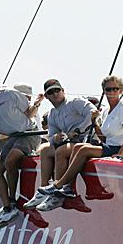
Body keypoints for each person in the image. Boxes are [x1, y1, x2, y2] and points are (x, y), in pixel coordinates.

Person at [35, 75, 123, 211]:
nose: (111, 92)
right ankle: (66, 188)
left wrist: (120, 154)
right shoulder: (106, 111)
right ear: (104, 91)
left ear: (121, 90)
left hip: (118, 149)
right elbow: (103, 138)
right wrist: (94, 122)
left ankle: (59, 185)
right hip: (107, 145)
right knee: (78, 148)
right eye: (108, 89)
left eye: (115, 89)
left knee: (80, 149)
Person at [0, 71, 42, 228]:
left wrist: (37, 104)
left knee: (11, 159)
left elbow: (29, 112)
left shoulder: (10, 94)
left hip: (29, 133)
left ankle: (12, 201)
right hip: (11, 138)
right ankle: (7, 207)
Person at [24, 79, 97, 210]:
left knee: (61, 151)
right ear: (46, 96)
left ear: (63, 91)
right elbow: (51, 136)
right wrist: (55, 138)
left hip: (86, 142)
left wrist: (78, 130)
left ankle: (59, 193)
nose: (55, 94)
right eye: (51, 92)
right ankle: (43, 192)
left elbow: (94, 113)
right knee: (46, 150)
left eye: (57, 90)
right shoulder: (52, 113)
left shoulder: (75, 102)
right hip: (69, 143)